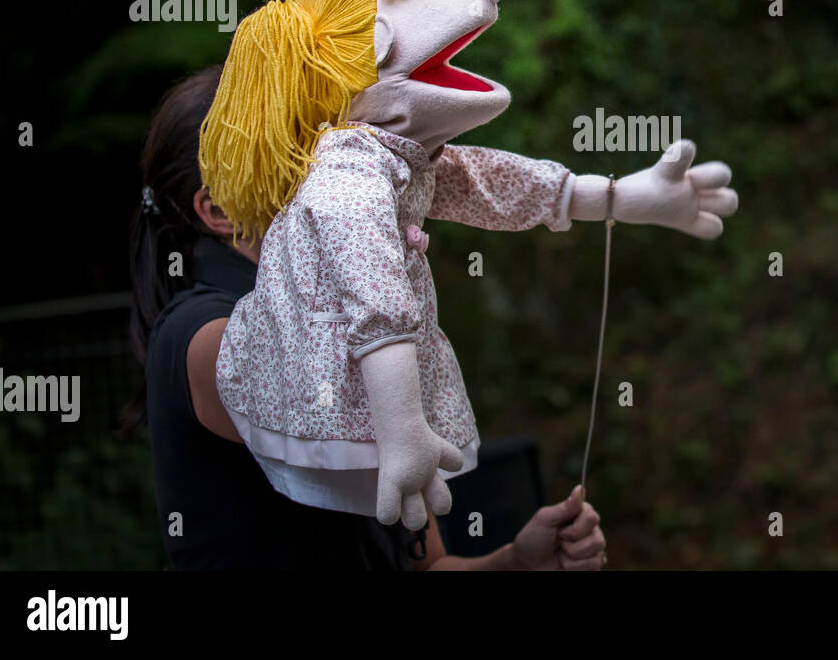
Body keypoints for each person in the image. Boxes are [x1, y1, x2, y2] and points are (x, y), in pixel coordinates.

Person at [127, 66, 606, 569]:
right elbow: (334, 386)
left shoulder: (351, 317)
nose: (341, 160)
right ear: (220, 210)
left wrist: (519, 562)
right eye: (306, 147)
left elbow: (429, 566)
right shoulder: (202, 336)